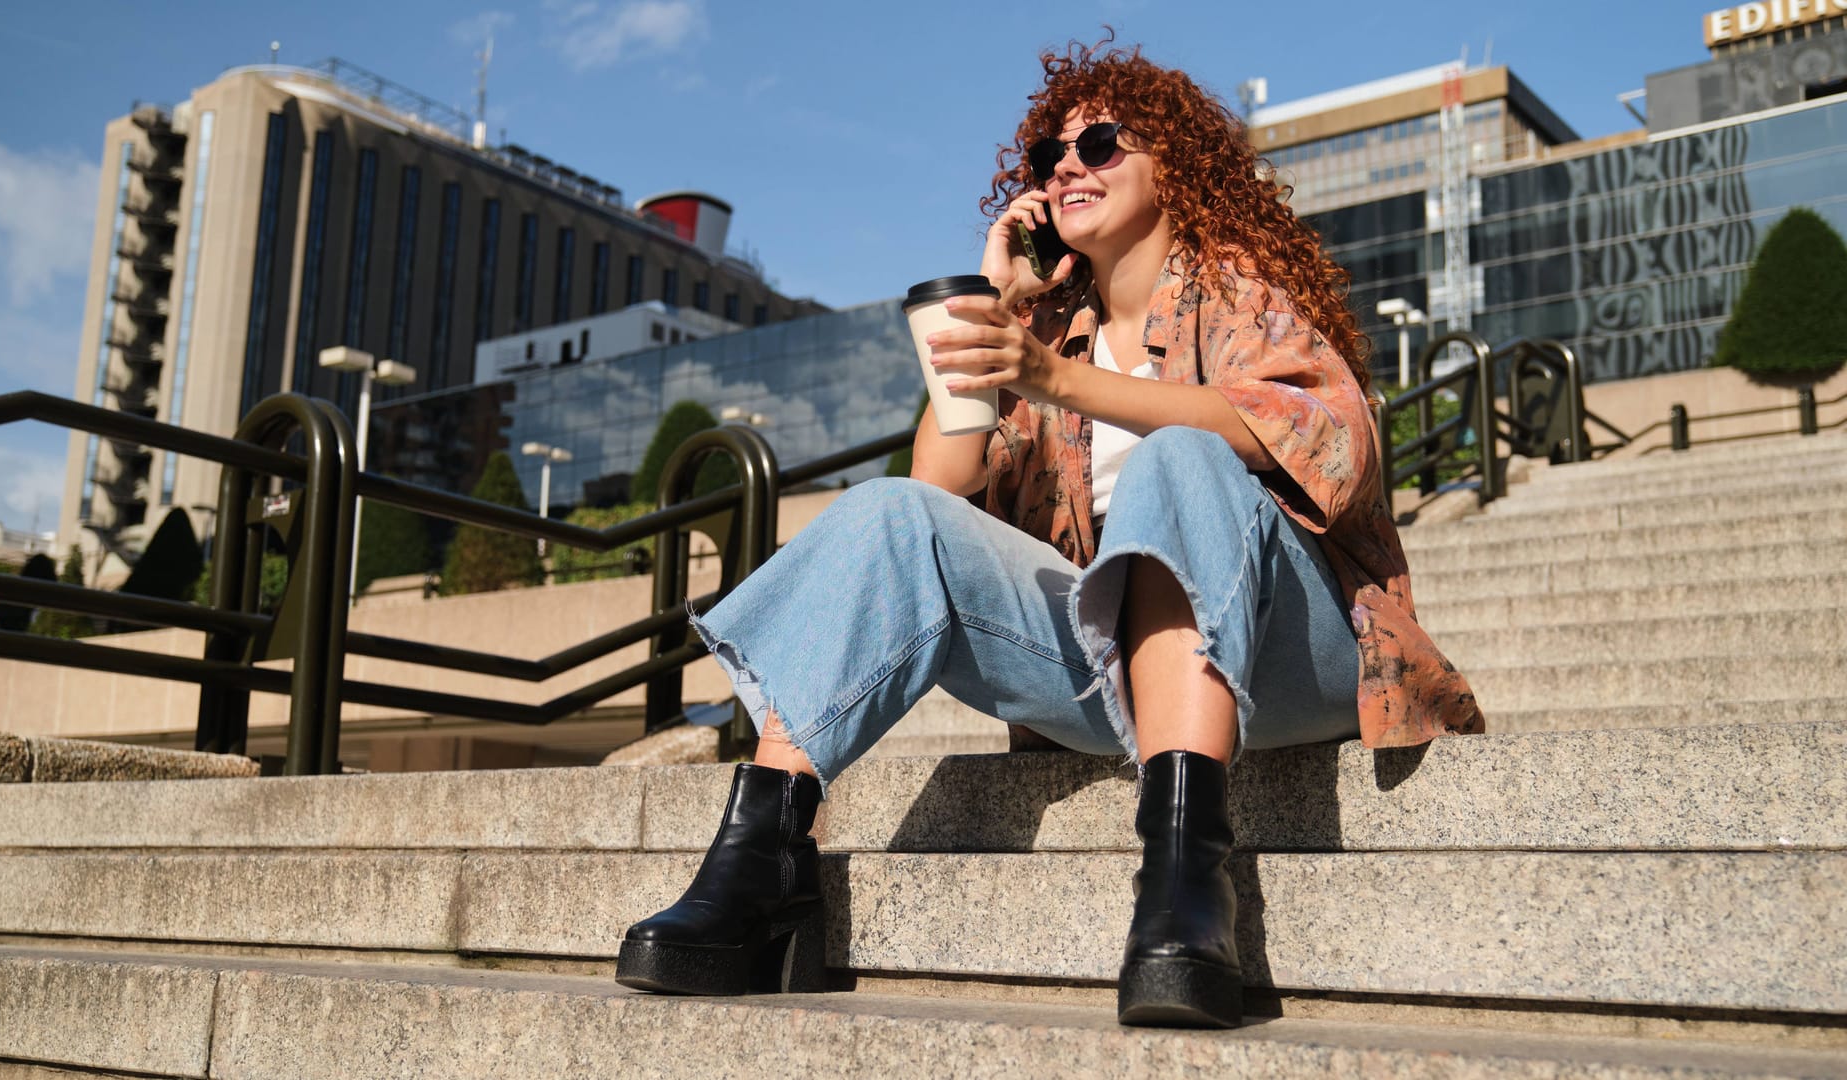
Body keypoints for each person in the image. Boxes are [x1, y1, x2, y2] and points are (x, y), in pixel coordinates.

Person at [615, 35, 1483, 1029]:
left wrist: (1055, 379)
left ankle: (1186, 881)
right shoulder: (1046, 333)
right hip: (1114, 666)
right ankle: (760, 862)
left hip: (1294, 653)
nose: (1067, 165)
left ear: (1177, 169)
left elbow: (1338, 443)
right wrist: (1002, 309)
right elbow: (938, 490)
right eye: (1049, 157)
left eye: (1102, 143)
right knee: (891, 513)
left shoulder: (1235, 288)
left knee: (1176, 457)